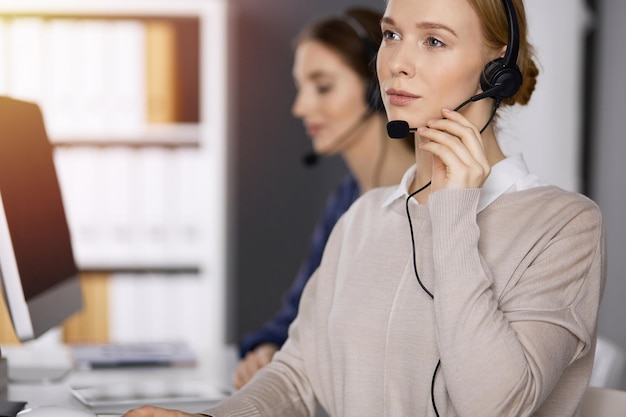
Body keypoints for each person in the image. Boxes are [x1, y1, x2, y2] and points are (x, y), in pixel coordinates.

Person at [123, 0, 606, 415]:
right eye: (392, 35)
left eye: (434, 41)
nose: (397, 62)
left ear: (496, 69)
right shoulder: (365, 216)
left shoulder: (565, 226)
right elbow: (297, 374)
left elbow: (495, 407)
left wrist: (454, 206)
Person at [233, 7, 415, 389]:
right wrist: (268, 347)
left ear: (374, 86)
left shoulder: (430, 198)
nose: (301, 107)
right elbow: (299, 314)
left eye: (323, 86)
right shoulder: (347, 199)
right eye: (302, 87)